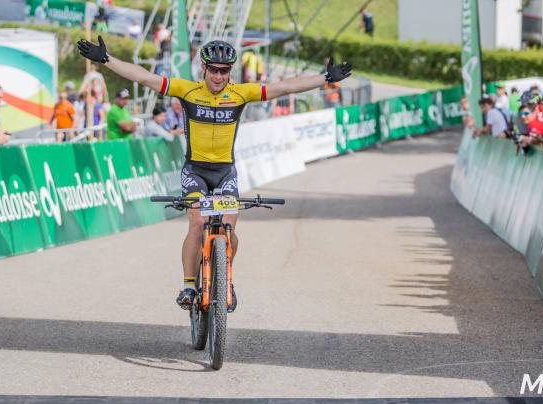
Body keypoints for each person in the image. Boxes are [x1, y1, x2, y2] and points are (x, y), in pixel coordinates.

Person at [77, 36, 352, 311]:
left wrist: (325, 77)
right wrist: (106, 59)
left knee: (230, 228)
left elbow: (283, 88)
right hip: (195, 171)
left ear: (230, 72)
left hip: (225, 173)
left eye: (224, 70)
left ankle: (224, 277)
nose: (219, 76)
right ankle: (188, 285)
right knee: (197, 223)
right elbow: (146, 78)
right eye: (214, 70)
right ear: (204, 69)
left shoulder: (241, 93)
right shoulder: (188, 91)